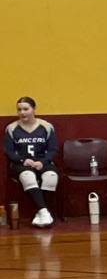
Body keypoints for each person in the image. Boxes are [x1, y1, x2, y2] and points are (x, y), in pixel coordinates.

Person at [4, 97, 58, 228]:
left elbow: (53, 149)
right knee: (28, 176)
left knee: (51, 177)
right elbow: (8, 151)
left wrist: (43, 162)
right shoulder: (12, 128)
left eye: (26, 109)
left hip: (42, 161)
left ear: (33, 109)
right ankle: (44, 212)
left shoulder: (46, 126)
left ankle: (40, 213)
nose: (22, 112)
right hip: (20, 164)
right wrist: (22, 160)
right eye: (19, 110)